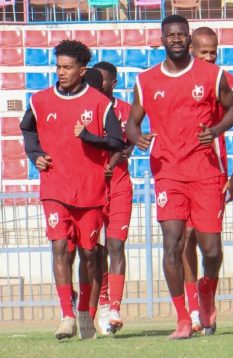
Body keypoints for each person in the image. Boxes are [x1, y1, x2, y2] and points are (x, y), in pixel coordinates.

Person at [126, 15, 233, 339]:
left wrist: (215, 131)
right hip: (168, 173)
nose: (176, 39)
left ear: (189, 39)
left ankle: (207, 291)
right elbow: (132, 122)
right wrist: (137, 137)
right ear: (162, 40)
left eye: (181, 34)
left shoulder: (212, 75)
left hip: (205, 172)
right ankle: (182, 318)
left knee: (212, 250)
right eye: (170, 35)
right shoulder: (146, 80)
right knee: (172, 244)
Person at [20, 40, 124, 340]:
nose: (61, 72)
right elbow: (27, 129)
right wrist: (35, 154)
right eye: (58, 67)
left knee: (89, 254)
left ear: (82, 70)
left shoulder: (99, 103)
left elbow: (117, 142)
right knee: (60, 247)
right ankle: (66, 315)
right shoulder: (40, 100)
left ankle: (84, 312)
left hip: (90, 190)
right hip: (54, 186)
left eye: (67, 67)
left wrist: (89, 137)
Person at [183, 26, 233, 332]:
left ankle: (207, 288)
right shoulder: (174, 78)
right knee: (184, 238)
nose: (209, 57)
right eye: (203, 52)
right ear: (191, 49)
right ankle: (193, 309)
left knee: (211, 248)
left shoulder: (227, 82)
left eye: (213, 52)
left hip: (213, 171)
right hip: (177, 171)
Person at [90, 61, 134, 335]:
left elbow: (131, 139)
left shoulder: (125, 110)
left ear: (113, 83)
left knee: (116, 245)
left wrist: (128, 149)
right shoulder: (85, 109)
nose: (95, 84)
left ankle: (115, 307)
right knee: (96, 250)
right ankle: (102, 303)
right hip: (91, 186)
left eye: (101, 80)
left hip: (118, 185)